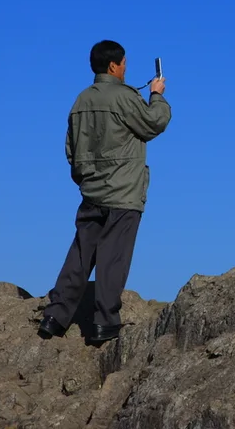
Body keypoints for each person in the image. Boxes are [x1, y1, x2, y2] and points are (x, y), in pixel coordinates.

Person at [38, 40, 171, 343]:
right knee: (113, 259)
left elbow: (71, 150)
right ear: (114, 65)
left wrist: (86, 180)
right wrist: (156, 95)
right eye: (124, 63)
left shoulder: (81, 100)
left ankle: (55, 317)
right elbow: (153, 124)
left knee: (80, 256)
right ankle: (104, 323)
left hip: (91, 192)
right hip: (123, 193)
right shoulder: (126, 98)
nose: (126, 68)